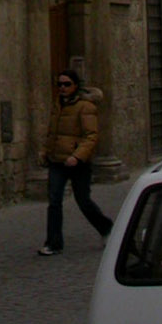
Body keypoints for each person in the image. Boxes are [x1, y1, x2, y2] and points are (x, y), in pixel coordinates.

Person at [38, 68, 112, 255]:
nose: (62, 88)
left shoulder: (86, 107)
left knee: (83, 201)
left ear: (75, 86)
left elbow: (91, 136)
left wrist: (77, 156)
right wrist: (45, 151)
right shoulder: (58, 105)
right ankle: (53, 243)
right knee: (54, 201)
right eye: (60, 84)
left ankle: (106, 227)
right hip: (57, 161)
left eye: (66, 84)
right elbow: (52, 132)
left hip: (77, 163)